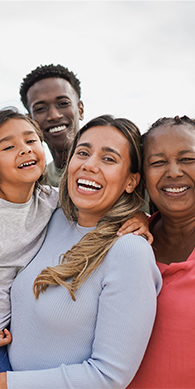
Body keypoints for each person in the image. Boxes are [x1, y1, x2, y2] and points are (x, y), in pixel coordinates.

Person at [0, 109, 150, 386]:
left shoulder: (128, 249)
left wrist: (145, 216)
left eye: (108, 158)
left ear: (131, 181)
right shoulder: (54, 218)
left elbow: (109, 377)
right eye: (82, 153)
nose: (90, 165)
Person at [129, 116, 195, 388]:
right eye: (158, 162)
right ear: (142, 178)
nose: (174, 171)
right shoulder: (125, 240)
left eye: (187, 159)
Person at [20, 64, 84, 187]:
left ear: (80, 109)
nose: (54, 115)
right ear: (30, 121)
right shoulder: (35, 185)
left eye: (63, 103)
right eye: (40, 108)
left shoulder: (114, 170)